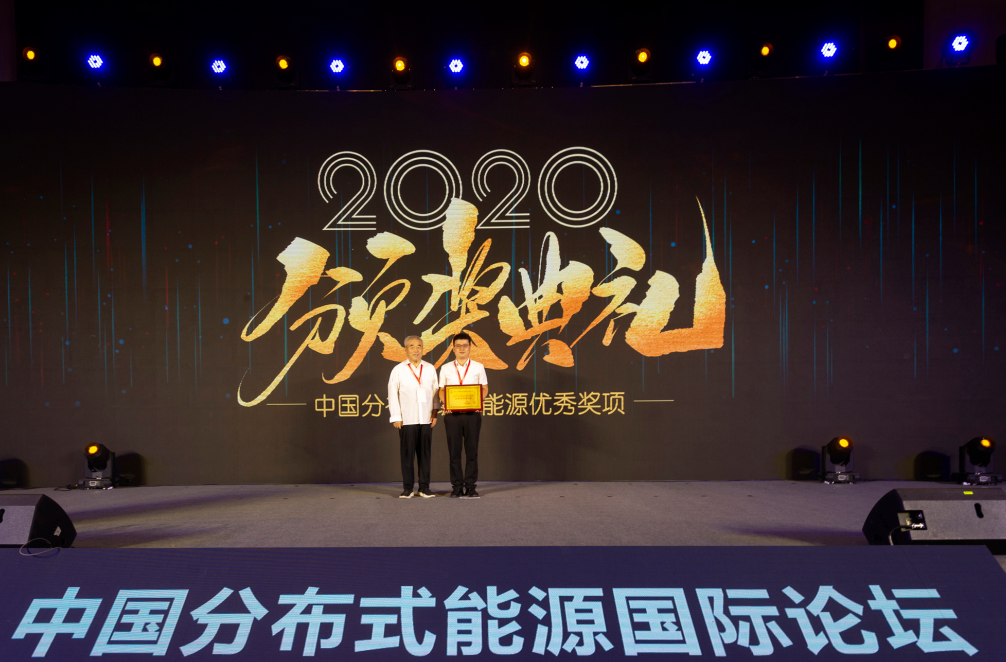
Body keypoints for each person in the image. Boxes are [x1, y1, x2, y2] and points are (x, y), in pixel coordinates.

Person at [387, 335, 439, 498]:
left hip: (426, 419)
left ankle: (424, 487)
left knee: (425, 455)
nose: (416, 349)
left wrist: (435, 413)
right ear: (405, 349)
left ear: (423, 349)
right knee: (407, 455)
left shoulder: (430, 368)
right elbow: (392, 394)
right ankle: (408, 488)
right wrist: (396, 416)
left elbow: (436, 392)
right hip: (407, 419)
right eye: (412, 346)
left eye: (419, 346)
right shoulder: (398, 370)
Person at [438, 332, 489, 498]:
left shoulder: (478, 367)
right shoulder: (445, 368)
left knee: (472, 452)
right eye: (458, 346)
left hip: (472, 414)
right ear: (453, 348)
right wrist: (447, 403)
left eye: (465, 345)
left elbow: (484, 388)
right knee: (454, 453)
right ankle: (457, 487)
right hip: (452, 415)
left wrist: (477, 401)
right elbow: (441, 390)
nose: (461, 348)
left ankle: (471, 487)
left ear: (470, 347)